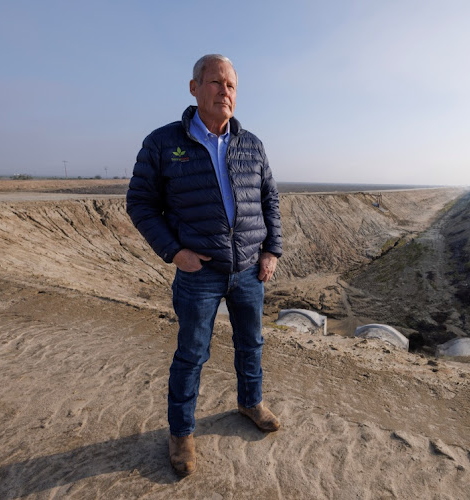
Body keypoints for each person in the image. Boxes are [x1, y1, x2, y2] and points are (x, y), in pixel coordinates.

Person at [126, 54, 283, 477]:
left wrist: (272, 251)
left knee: (251, 344)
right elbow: (140, 203)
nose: (224, 91)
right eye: (215, 82)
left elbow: (270, 200)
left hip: (250, 269)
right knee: (192, 354)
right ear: (194, 88)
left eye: (230, 85)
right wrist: (175, 253)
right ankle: (181, 433)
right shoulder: (163, 143)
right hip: (199, 273)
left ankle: (250, 403)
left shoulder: (251, 143)